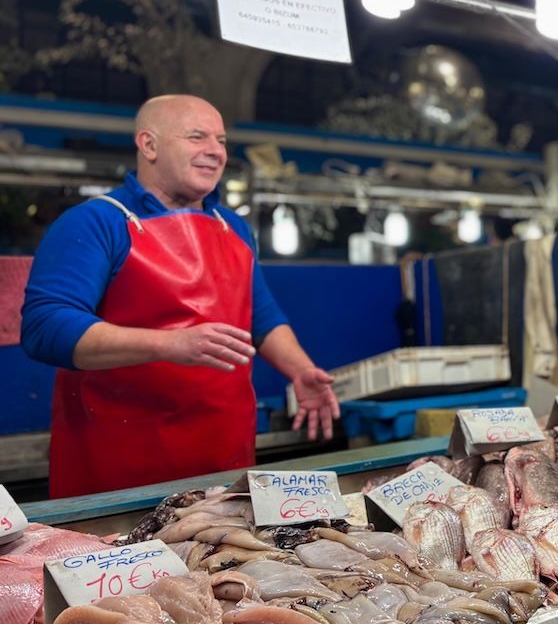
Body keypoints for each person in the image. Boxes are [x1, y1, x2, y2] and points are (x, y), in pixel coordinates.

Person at [21, 95, 340, 498]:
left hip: (223, 458)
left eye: (221, 140)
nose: (215, 151)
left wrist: (300, 371)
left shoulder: (234, 227)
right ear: (149, 145)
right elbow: (45, 327)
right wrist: (170, 343)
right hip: (120, 463)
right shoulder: (97, 222)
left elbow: (261, 316)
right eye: (197, 137)